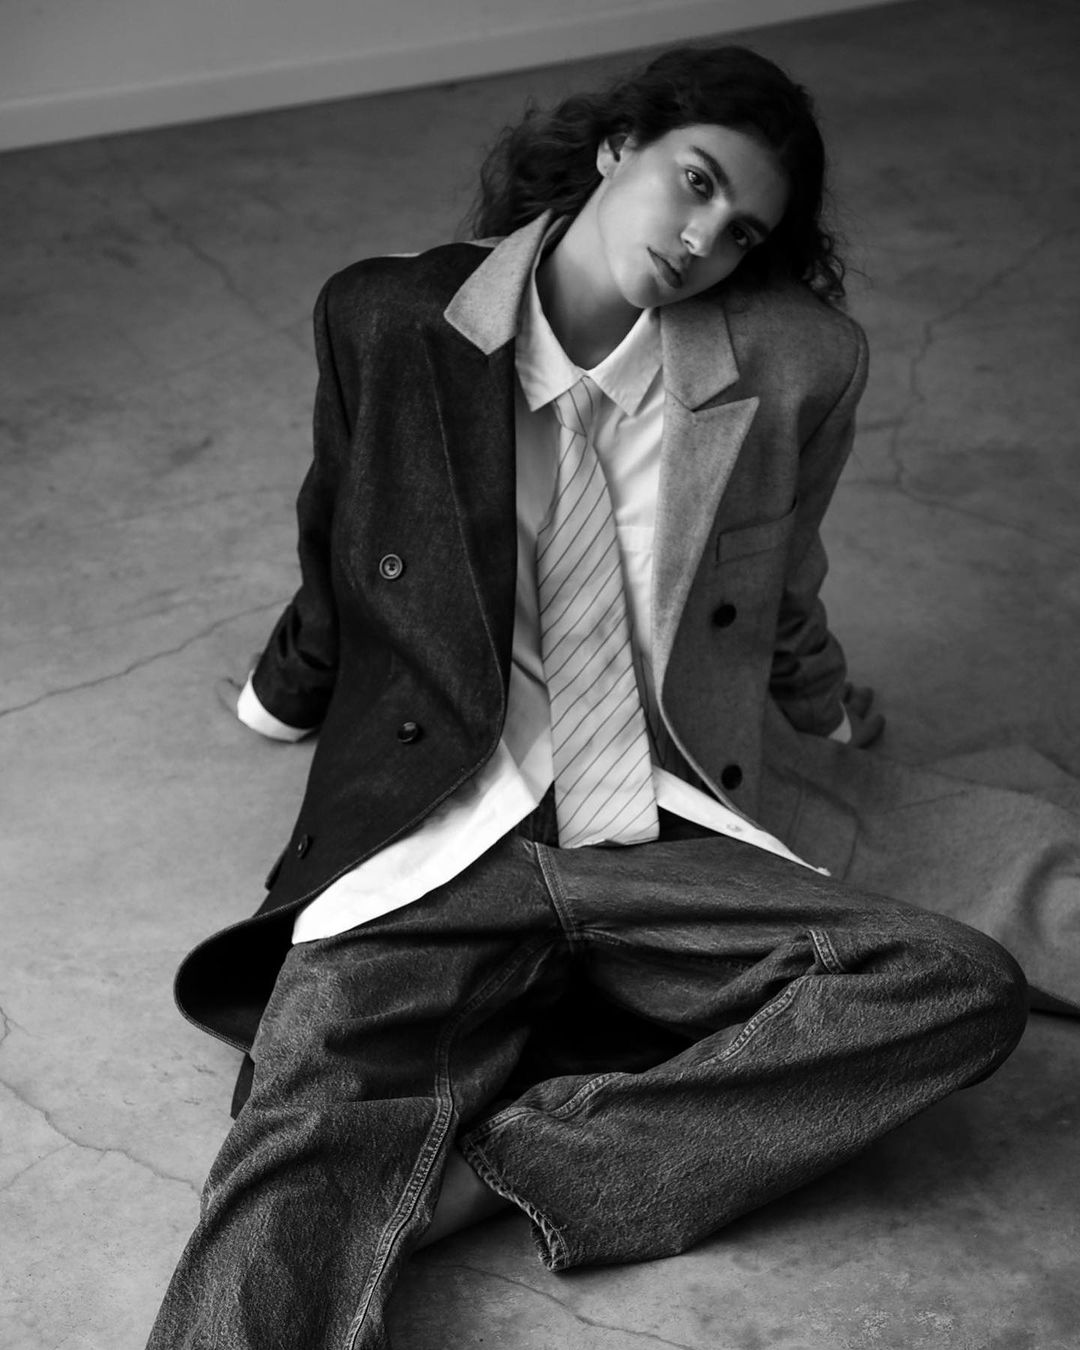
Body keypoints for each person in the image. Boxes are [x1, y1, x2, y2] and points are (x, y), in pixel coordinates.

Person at [146, 44, 1032, 1350]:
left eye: (744, 231)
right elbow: (340, 532)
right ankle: (383, 1167)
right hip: (435, 836)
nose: (704, 240)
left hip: (656, 829)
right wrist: (288, 693)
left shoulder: (795, 363)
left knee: (954, 984)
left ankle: (486, 1175)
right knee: (291, 1150)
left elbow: (782, 576)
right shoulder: (390, 317)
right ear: (619, 145)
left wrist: (824, 708)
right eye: (696, 182)